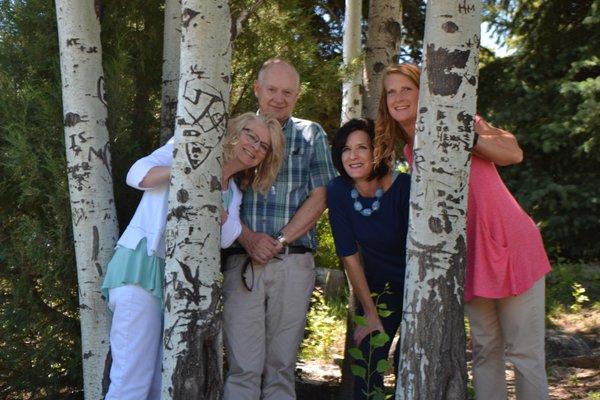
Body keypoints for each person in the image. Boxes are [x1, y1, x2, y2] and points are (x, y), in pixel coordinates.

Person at [374, 63, 552, 400]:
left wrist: (466, 136)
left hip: (511, 244)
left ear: (422, 92)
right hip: (471, 258)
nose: (398, 97)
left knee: (525, 353)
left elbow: (513, 151)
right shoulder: (411, 151)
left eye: (406, 89)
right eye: (391, 92)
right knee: (486, 350)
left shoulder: (460, 120)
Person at [101, 112, 284, 400]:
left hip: (179, 285)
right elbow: (136, 174)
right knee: (130, 382)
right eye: (252, 135)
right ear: (236, 130)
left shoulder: (233, 192)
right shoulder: (188, 148)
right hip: (142, 268)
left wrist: (217, 208)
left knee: (159, 384)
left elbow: (226, 237)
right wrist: (187, 170)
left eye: (264, 146)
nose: (255, 147)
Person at [222, 58, 337, 400]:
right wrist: (248, 237)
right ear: (257, 89)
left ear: (297, 95)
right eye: (272, 89)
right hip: (243, 261)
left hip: (293, 261)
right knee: (242, 367)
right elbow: (216, 189)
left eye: (288, 92)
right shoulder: (239, 132)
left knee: (281, 369)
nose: (279, 98)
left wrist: (281, 239)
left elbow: (322, 194)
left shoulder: (310, 133)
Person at [327, 118, 410, 399]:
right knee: (369, 358)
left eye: (362, 147)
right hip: (377, 290)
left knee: (408, 360)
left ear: (378, 151)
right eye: (346, 149)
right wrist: (370, 312)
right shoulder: (338, 191)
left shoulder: (404, 188)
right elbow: (349, 255)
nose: (353, 155)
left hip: (415, 288)